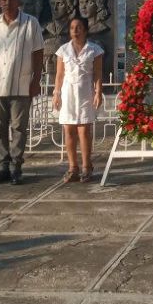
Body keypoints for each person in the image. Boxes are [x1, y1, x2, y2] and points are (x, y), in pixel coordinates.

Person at [0, 0, 44, 186]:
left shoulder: (30, 23)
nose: (7, 2)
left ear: (18, 2)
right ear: (0, 2)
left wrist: (36, 81)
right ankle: (3, 167)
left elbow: (38, 53)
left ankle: (16, 167)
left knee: (18, 128)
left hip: (20, 85)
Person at [52, 16, 104, 183]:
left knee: (83, 130)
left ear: (85, 30)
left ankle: (87, 166)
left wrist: (98, 92)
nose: (75, 30)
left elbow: (98, 74)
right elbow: (59, 75)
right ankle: (72, 167)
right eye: (72, 27)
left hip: (85, 92)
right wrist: (56, 94)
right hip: (68, 93)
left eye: (79, 27)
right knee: (69, 129)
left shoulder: (94, 50)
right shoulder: (63, 50)